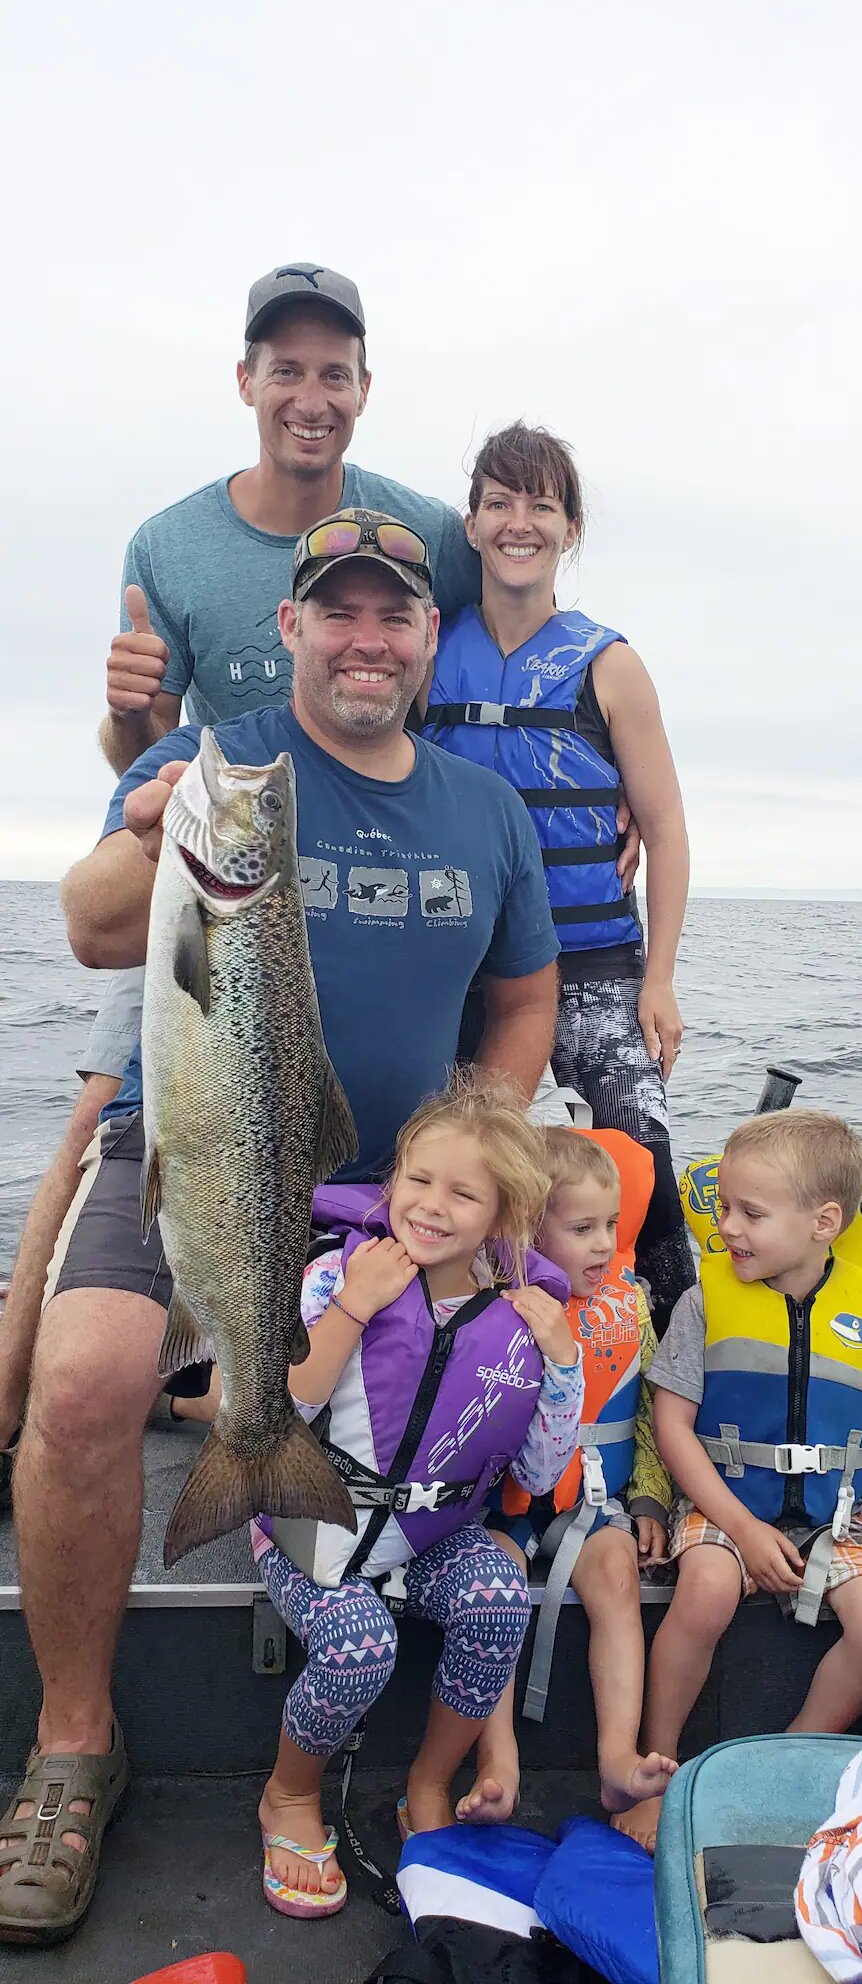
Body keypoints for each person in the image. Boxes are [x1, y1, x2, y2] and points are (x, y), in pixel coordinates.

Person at [0, 517, 560, 1947]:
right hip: (195, 1149)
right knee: (76, 1388)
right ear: (296, 628)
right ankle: (75, 1744)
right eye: (339, 614)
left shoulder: (485, 810)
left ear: (431, 639)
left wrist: (481, 1170)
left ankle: (293, 1489)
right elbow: (86, 926)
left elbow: (521, 1002)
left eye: (396, 617)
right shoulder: (216, 762)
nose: (367, 638)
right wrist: (143, 834)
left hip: (408, 1185)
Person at [0, 259, 484, 1482]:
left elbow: (469, 637)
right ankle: (30, 1395)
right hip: (213, 857)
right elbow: (141, 743)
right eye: (286, 370)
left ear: (364, 388)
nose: (309, 393)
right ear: (247, 382)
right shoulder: (168, 539)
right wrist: (131, 743)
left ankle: (232, 1396)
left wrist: (578, 763)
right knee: (100, 1133)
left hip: (353, 863)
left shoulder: (421, 526)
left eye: (333, 371)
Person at [253, 1077, 584, 1916]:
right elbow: (278, 1411)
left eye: (463, 1194)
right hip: (310, 1529)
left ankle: (427, 1786)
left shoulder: (521, 1314)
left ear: (502, 1215)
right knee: (360, 1645)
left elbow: (540, 1475)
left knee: (499, 1600)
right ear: (393, 1178)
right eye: (418, 1180)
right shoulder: (336, 1276)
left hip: (429, 1537)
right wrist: (354, 1311)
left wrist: (564, 1367)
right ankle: (290, 1795)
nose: (431, 1207)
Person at [422, 422, 694, 1334]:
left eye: (542, 504)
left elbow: (664, 828)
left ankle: (660, 1361)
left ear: (570, 528)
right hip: (467, 972)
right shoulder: (424, 653)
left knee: (642, 1162)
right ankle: (464, 1348)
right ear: (471, 523)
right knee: (456, 1174)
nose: (520, 522)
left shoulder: (610, 664)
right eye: (499, 502)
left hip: (596, 965)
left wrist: (659, 980)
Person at [630, 1109, 862, 1854]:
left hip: (832, 1518)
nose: (727, 1227)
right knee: (709, 1589)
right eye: (724, 1207)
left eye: (750, 1213)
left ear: (824, 1222)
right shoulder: (703, 1302)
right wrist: (746, 1529)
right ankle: (658, 1769)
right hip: (725, 1504)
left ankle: (780, 1762)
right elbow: (672, 1427)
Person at [465, 1125, 677, 1832]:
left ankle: (619, 1759)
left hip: (595, 1500)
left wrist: (648, 1494)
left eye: (611, 1226)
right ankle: (498, 1757)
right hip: (505, 1508)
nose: (601, 1244)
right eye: (582, 1227)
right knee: (493, 1577)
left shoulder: (630, 1305)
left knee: (616, 1572)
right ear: (528, 1227)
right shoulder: (498, 1304)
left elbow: (646, 1409)